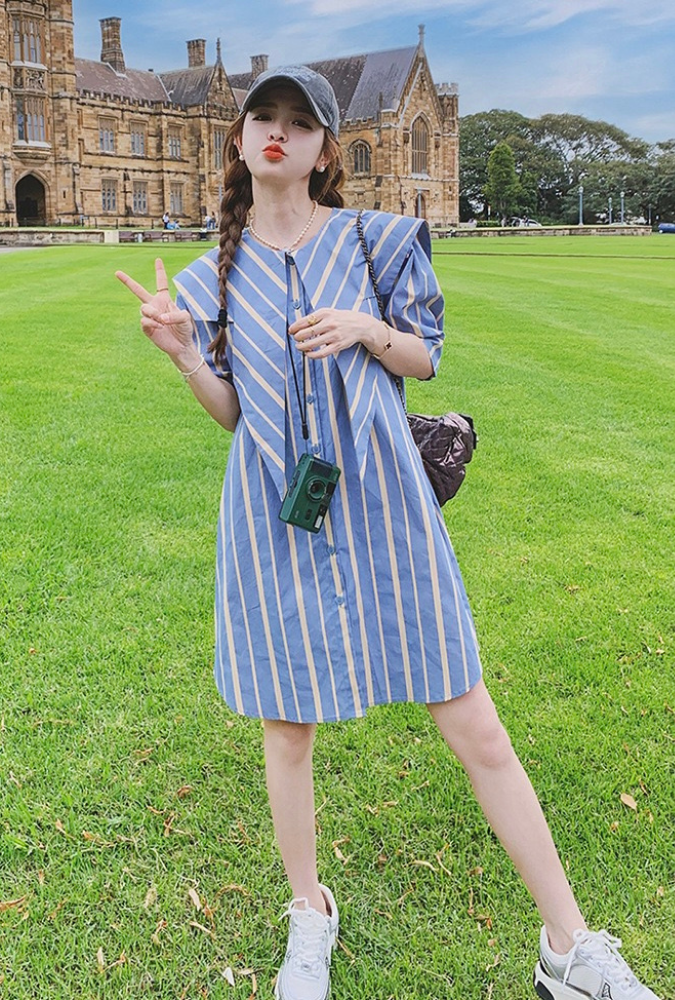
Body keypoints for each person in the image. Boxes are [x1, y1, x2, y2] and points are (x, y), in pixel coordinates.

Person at [116, 65, 660, 1000]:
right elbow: (230, 412)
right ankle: (308, 915)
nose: (279, 134)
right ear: (240, 142)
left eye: (301, 123)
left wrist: (367, 328)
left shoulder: (381, 240)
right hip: (274, 521)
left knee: (474, 721)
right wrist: (178, 355)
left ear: (328, 148)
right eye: (264, 120)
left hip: (386, 508)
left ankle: (569, 948)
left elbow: (425, 358)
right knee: (287, 733)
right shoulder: (214, 275)